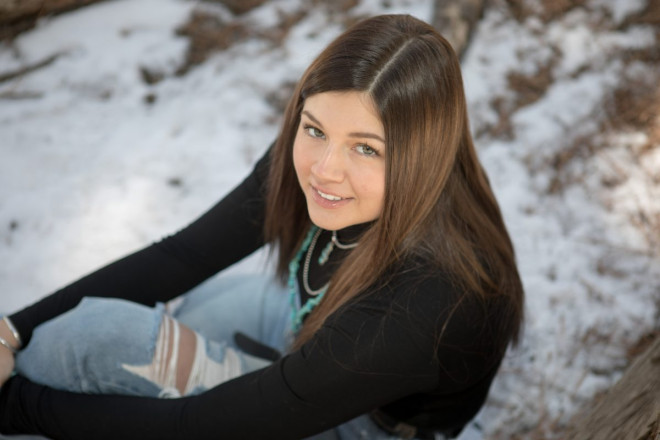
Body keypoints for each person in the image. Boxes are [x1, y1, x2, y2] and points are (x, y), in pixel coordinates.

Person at [0, 13, 524, 440]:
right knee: (139, 321)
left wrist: (16, 405)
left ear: (421, 155)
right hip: (305, 320)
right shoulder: (324, 157)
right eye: (314, 128)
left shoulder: (423, 304)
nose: (323, 170)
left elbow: (197, 427)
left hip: (368, 421)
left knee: (90, 344)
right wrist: (10, 331)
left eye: (367, 148)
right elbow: (182, 256)